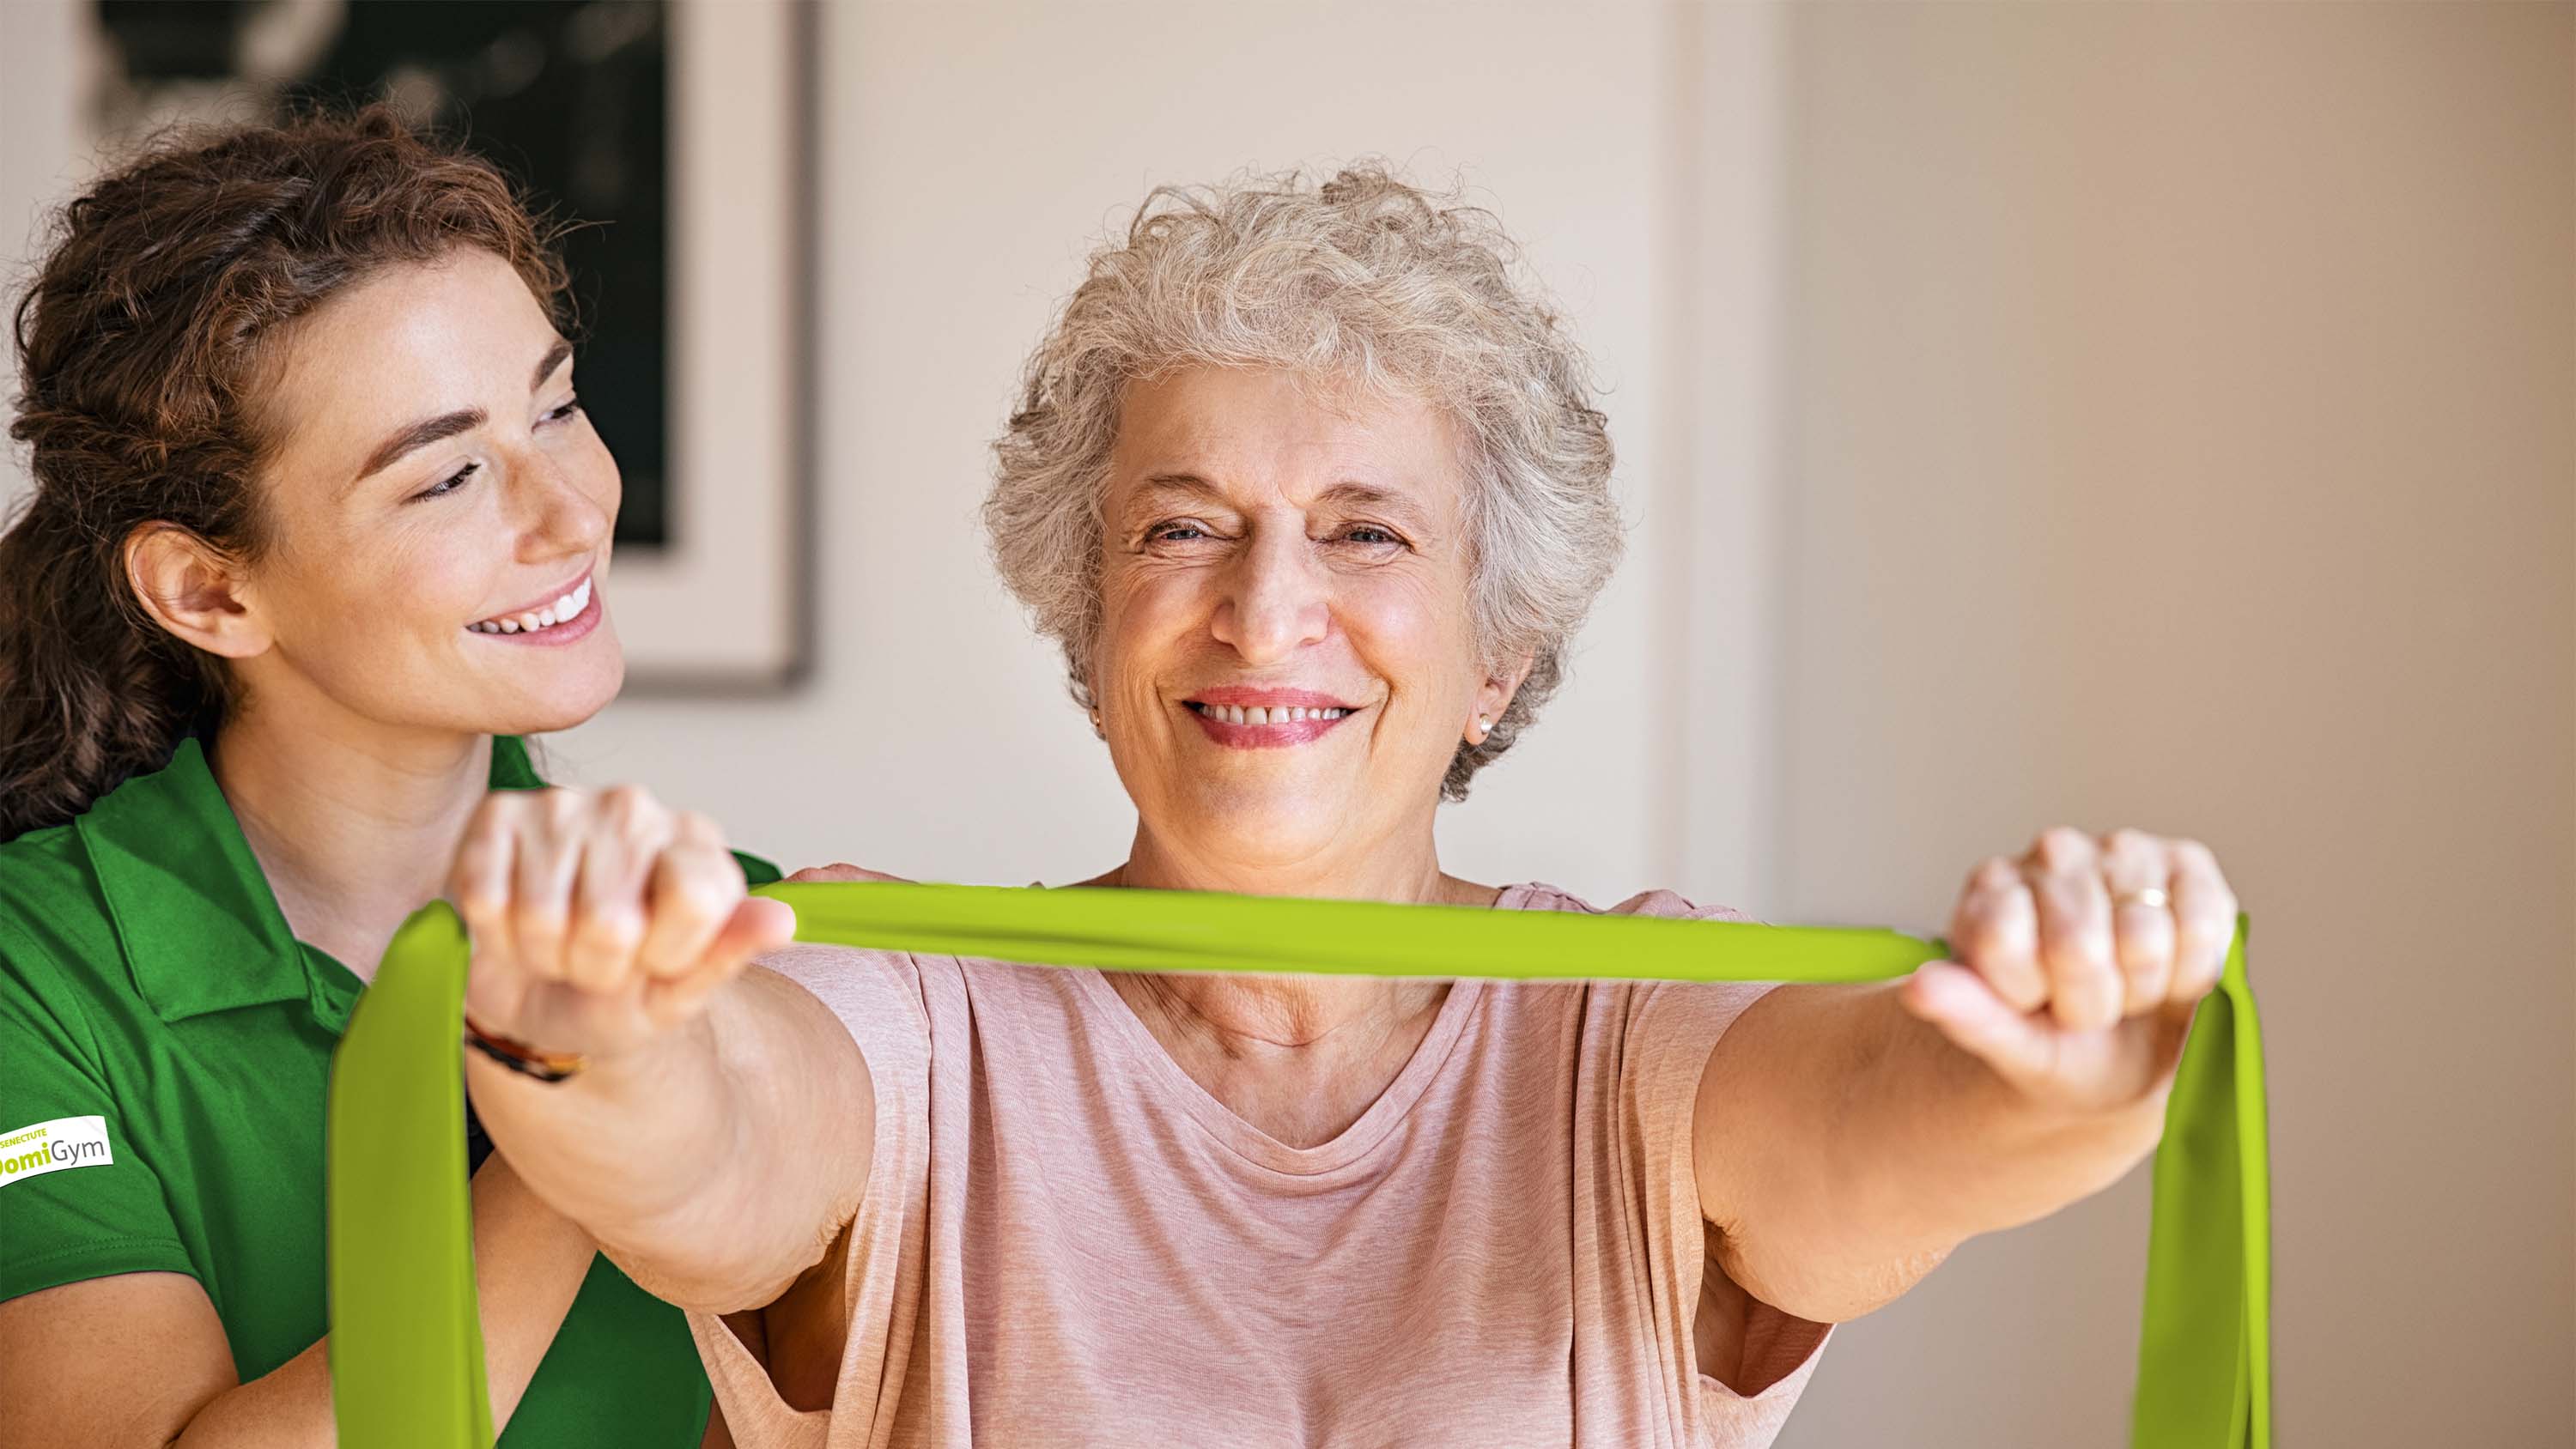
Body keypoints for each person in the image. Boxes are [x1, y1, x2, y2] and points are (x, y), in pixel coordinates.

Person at [456, 167, 2242, 1448]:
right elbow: (713, 1152)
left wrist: (2066, 1071)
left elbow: (1889, 1129)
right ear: (1090, 627)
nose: (1265, 610)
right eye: (1183, 526)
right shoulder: (909, 1006)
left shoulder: (1633, 1031)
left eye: (1368, 532)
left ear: (1499, 658)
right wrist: (589, 1042)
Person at [0, 108, 776, 1448]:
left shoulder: (730, 930)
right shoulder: (34, 970)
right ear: (206, 588)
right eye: (450, 475)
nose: (571, 511)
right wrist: (594, 1096)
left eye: (559, 405)